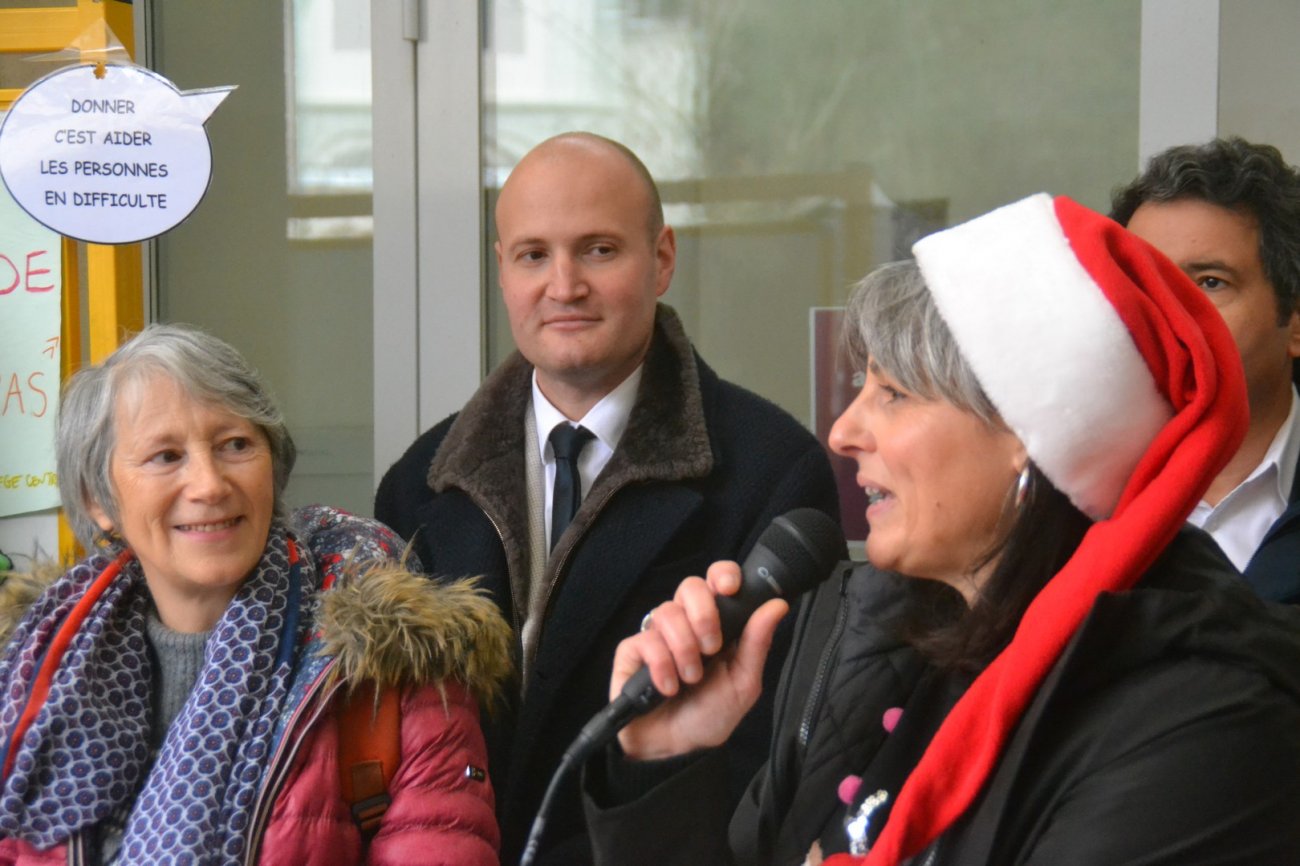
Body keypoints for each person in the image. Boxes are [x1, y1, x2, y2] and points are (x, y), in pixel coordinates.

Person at [584, 194, 1300, 865]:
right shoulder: (865, 634)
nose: (842, 432)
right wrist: (663, 764)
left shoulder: (1208, 721)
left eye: (893, 394)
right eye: (861, 387)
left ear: (1027, 433)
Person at [374, 132, 841, 863]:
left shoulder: (774, 472)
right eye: (533, 255)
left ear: (662, 259)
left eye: (598, 250)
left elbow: (768, 766)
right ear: (503, 271)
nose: (563, 286)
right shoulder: (418, 481)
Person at [0, 324, 512, 865]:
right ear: (97, 500)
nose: (209, 484)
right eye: (166, 456)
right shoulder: (35, 671)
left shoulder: (390, 661)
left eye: (236, 445)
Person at [1111, 137, 1300, 601]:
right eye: (1141, 281)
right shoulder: (1059, 500)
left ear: (1295, 322)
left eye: (1210, 283)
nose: (1167, 311)